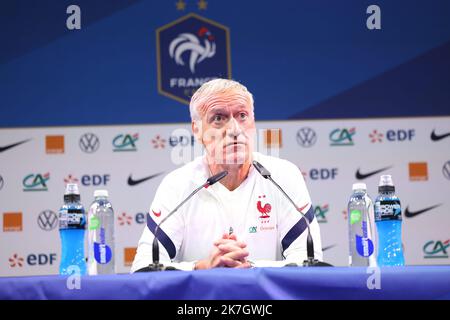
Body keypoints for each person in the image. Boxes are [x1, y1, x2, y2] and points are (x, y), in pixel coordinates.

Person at [131, 79, 323, 272]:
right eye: (218, 118)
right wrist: (201, 267)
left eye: (242, 115)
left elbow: (310, 261)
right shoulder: (178, 185)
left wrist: (250, 267)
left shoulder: (283, 176)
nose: (234, 129)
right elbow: (143, 268)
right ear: (197, 129)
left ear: (253, 122)